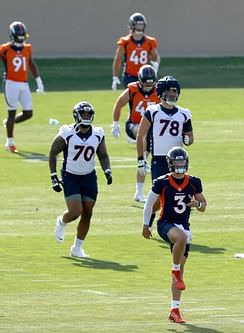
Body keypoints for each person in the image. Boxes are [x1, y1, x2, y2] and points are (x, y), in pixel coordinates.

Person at [142, 147, 207, 324]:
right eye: (176, 161)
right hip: (165, 223)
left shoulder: (194, 181)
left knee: (181, 270)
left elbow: (204, 204)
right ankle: (175, 270)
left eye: (182, 161)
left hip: (183, 225)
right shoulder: (161, 182)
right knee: (180, 239)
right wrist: (145, 225)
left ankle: (174, 309)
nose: (180, 164)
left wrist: (196, 204)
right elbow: (149, 205)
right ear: (171, 163)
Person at [49, 102, 112, 258]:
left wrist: (107, 170)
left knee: (88, 212)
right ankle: (62, 221)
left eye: (88, 114)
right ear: (76, 115)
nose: (86, 117)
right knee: (75, 211)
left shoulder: (98, 133)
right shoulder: (67, 133)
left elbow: (102, 155)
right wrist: (53, 176)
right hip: (71, 176)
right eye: (83, 114)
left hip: (89, 176)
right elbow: (52, 152)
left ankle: (77, 248)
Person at [136, 76, 193, 226]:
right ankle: (150, 221)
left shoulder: (184, 113)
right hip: (160, 159)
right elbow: (141, 135)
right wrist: (141, 159)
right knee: (158, 197)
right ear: (161, 92)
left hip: (179, 159)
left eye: (175, 91)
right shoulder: (152, 111)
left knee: (178, 194)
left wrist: (188, 139)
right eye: (169, 91)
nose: (173, 95)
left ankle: (176, 224)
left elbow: (190, 136)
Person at [111, 64, 159, 202]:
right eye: (146, 84)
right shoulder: (132, 89)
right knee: (142, 132)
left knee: (144, 160)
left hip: (151, 131)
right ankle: (142, 159)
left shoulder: (159, 91)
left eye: (151, 84)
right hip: (134, 125)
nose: (148, 87)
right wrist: (115, 124)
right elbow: (119, 103)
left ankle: (139, 191)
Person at [1, 21, 44, 153]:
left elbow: (31, 63)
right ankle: (10, 143)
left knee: (28, 113)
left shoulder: (27, 48)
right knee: (12, 113)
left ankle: (8, 123)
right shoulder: (5, 49)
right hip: (11, 84)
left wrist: (39, 81)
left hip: (24, 84)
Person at [111, 12, 160, 90]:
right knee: (132, 98)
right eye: (138, 25)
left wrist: (156, 65)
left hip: (145, 74)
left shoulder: (150, 41)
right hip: (130, 75)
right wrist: (115, 76)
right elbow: (118, 59)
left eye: (141, 25)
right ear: (132, 25)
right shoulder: (125, 41)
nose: (140, 27)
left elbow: (155, 57)